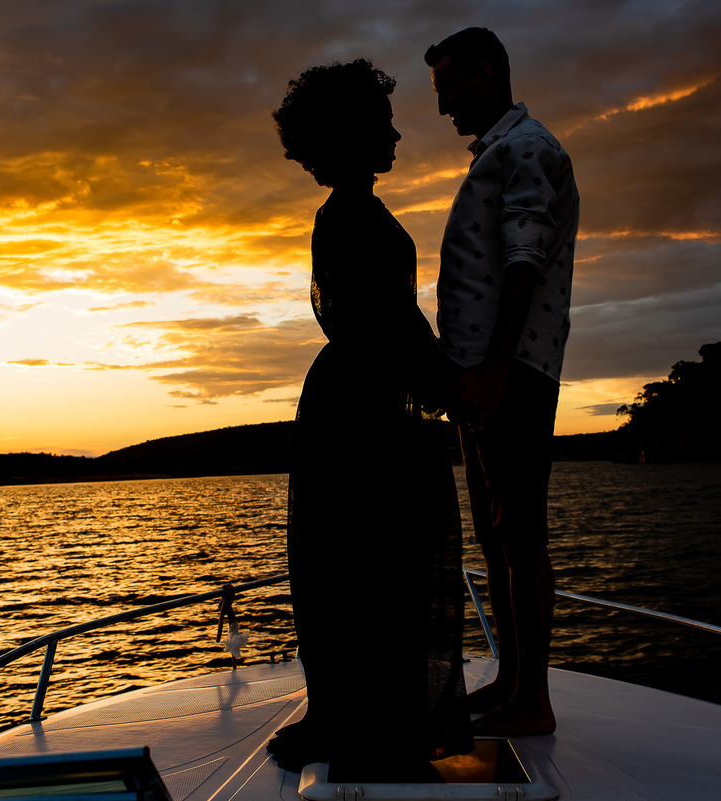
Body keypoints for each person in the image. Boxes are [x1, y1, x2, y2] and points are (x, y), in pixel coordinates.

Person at [266, 59, 471, 775]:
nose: (397, 134)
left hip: (360, 400)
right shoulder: (349, 216)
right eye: (384, 122)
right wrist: (454, 384)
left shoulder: (351, 213)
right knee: (364, 560)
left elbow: (389, 322)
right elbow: (386, 321)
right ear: (352, 133)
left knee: (362, 561)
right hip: (360, 411)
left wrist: (437, 378)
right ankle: (361, 721)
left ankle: (362, 713)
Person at [426, 27, 579, 737]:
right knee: (496, 532)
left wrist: (493, 367)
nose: (443, 106)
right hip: (482, 372)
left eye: (450, 87)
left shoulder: (527, 148)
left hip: (510, 369)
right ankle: (512, 680)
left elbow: (525, 254)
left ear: (487, 73)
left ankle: (533, 700)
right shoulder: (504, 150)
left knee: (518, 530)